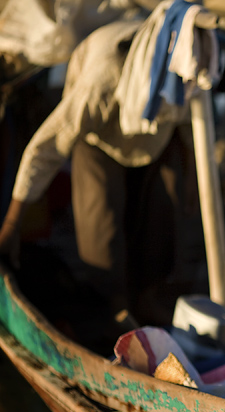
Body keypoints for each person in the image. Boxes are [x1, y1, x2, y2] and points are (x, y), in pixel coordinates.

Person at [0, 16, 199, 330]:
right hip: (98, 141)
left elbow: (193, 123)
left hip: (160, 142)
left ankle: (149, 298)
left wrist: (190, 175)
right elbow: (45, 149)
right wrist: (12, 224)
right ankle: (117, 308)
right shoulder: (99, 85)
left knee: (161, 212)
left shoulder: (188, 64)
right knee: (101, 220)